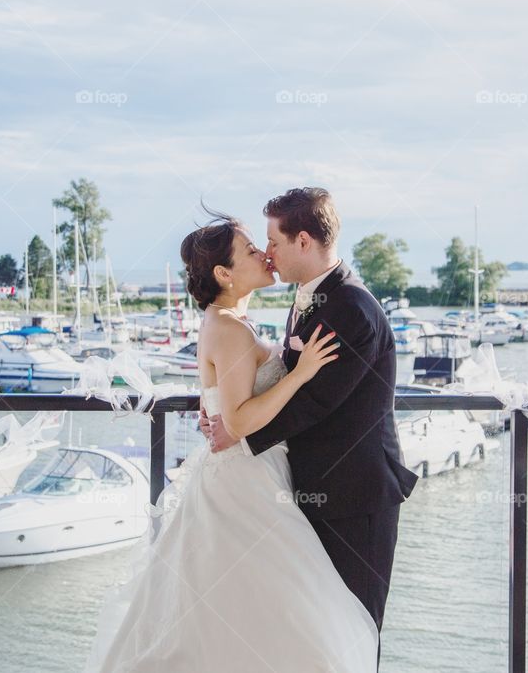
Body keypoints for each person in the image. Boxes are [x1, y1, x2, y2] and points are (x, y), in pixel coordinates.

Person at [86, 207, 379, 672]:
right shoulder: (228, 328)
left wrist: (222, 404)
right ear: (224, 273)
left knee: (244, 607)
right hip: (246, 480)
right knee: (283, 612)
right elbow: (240, 423)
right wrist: (299, 374)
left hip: (251, 472)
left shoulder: (226, 321)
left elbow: (229, 404)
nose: (264, 254)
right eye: (250, 249)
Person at [203, 187, 419, 654]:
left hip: (353, 495)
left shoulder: (352, 308)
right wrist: (225, 413)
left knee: (353, 631)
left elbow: (316, 401)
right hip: (310, 491)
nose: (268, 253)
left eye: (274, 242)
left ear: (304, 241)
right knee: (313, 633)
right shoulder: (312, 296)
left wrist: (237, 432)